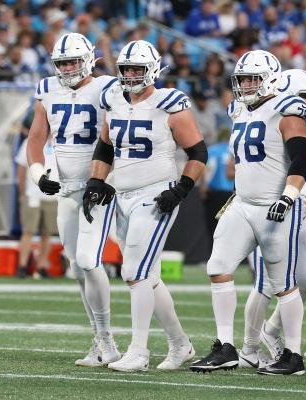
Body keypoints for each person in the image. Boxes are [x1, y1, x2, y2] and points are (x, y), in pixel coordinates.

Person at [190, 50, 306, 376]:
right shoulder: (240, 109)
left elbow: (301, 158)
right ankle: (226, 347)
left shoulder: (287, 109)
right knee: (218, 267)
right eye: (242, 79)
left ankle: (294, 355)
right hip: (243, 203)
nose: (245, 85)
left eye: (252, 79)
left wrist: (288, 197)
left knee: (282, 283)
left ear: (270, 79)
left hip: (276, 206)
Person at [87, 40, 207, 372]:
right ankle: (180, 344)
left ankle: (138, 351)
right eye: (126, 69)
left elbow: (198, 152)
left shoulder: (169, 103)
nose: (130, 75)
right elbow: (105, 146)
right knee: (149, 276)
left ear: (152, 70)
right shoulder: (113, 98)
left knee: (134, 272)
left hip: (156, 195)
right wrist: (96, 181)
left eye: (137, 69)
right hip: (122, 195)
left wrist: (182, 188)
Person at [26, 32, 120, 367]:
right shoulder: (47, 88)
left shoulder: (108, 87)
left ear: (89, 59)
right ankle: (101, 339)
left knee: (103, 263)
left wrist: (109, 177)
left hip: (101, 185)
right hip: (66, 188)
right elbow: (36, 138)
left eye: (73, 61)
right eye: (62, 62)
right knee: (78, 269)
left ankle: (124, 340)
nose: (67, 68)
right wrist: (39, 174)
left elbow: (117, 134)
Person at [242, 69, 306, 367]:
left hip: (299, 213)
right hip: (270, 209)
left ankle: (269, 331)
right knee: (265, 284)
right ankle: (249, 348)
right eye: (303, 97)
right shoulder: (268, 120)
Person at [15, 138, 58, 279]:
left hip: (52, 196)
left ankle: (41, 267)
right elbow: (21, 167)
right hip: (32, 194)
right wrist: (22, 193)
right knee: (28, 231)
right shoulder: (30, 141)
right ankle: (22, 266)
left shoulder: (60, 139)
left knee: (47, 233)